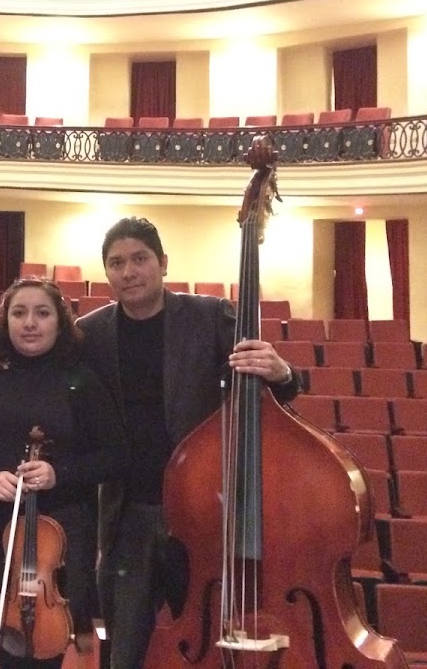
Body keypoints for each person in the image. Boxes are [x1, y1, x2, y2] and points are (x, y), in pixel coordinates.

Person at [78, 216, 301, 669]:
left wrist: (282, 374)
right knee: (123, 650)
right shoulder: (91, 332)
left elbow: (265, 391)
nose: (128, 272)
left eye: (139, 259)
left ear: (163, 263)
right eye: (116, 263)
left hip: (200, 511)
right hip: (127, 513)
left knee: (206, 640)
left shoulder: (209, 317)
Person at [0, 278, 127, 669]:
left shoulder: (81, 381)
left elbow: (115, 456)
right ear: (4, 321)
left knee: (46, 646)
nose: (30, 323)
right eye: (19, 313)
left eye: (42, 313)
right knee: (6, 644)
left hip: (63, 537)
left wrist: (61, 473)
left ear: (59, 322)